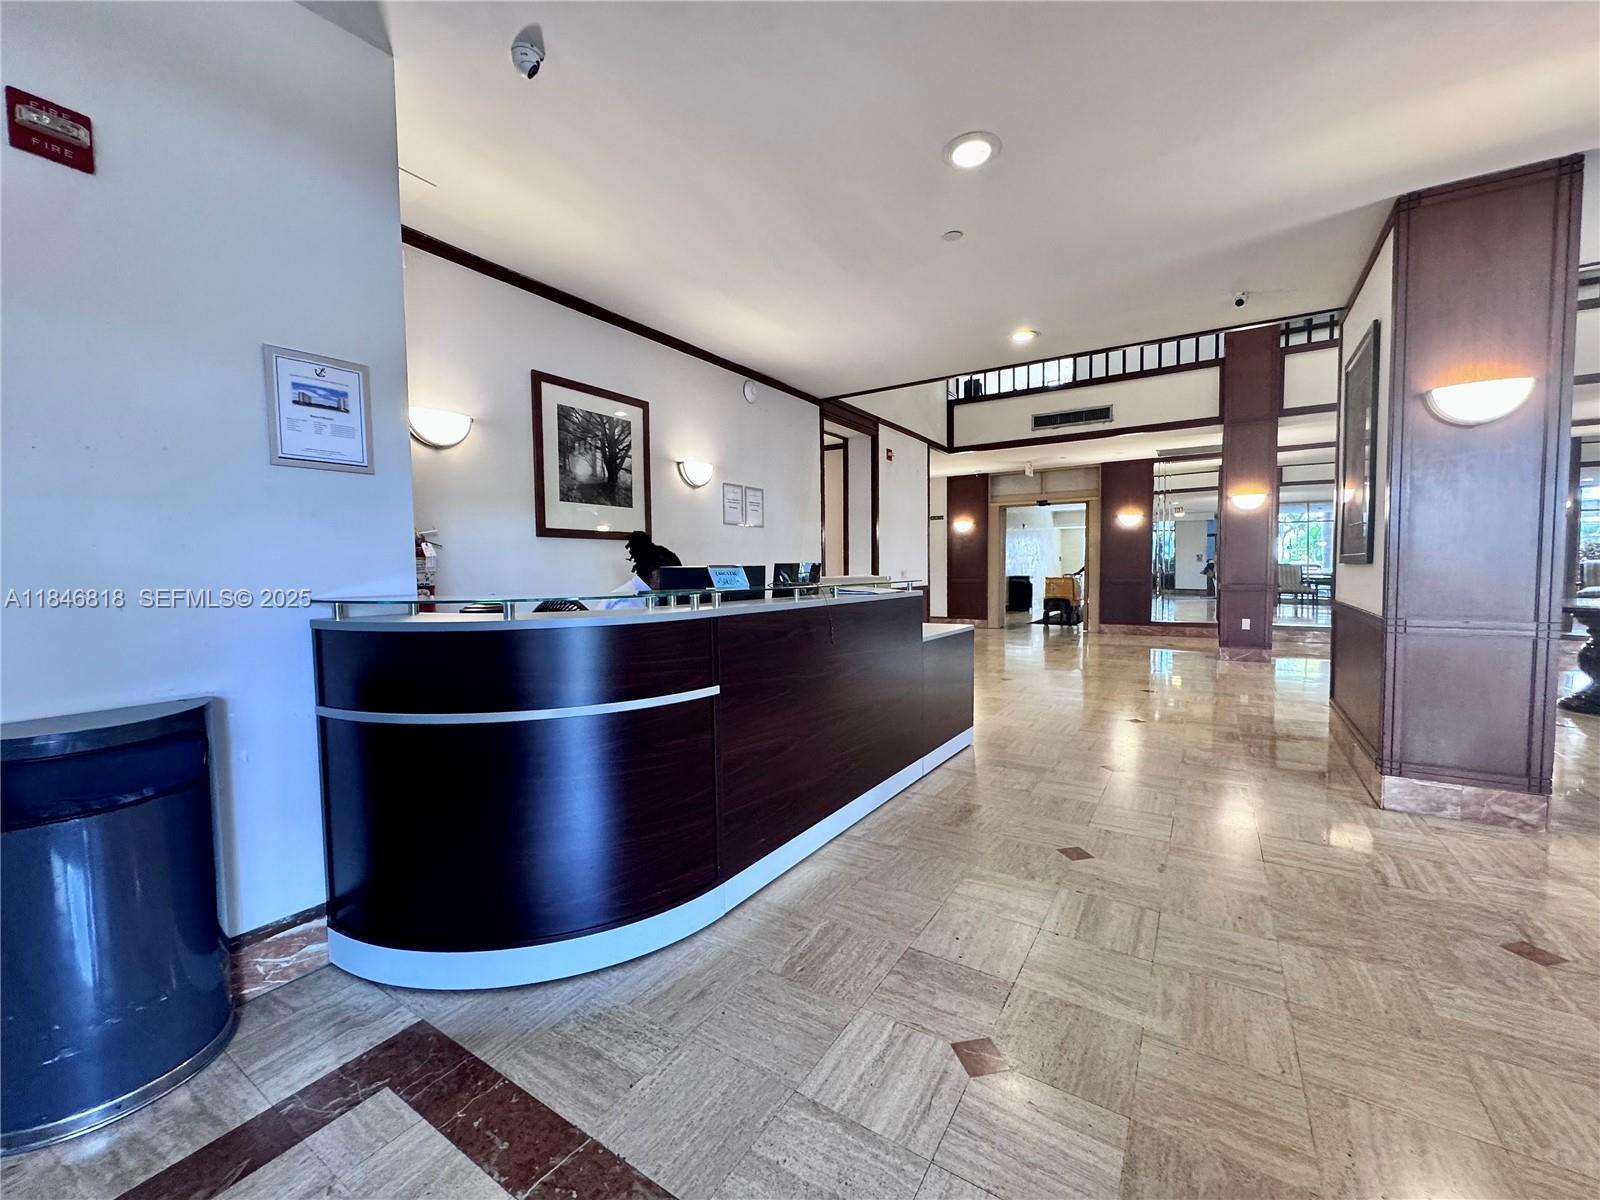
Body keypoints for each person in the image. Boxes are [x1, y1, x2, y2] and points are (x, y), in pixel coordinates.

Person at [601, 533, 681, 609]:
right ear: (656, 576)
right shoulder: (627, 604)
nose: (675, 583)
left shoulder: (645, 596)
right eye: (673, 577)